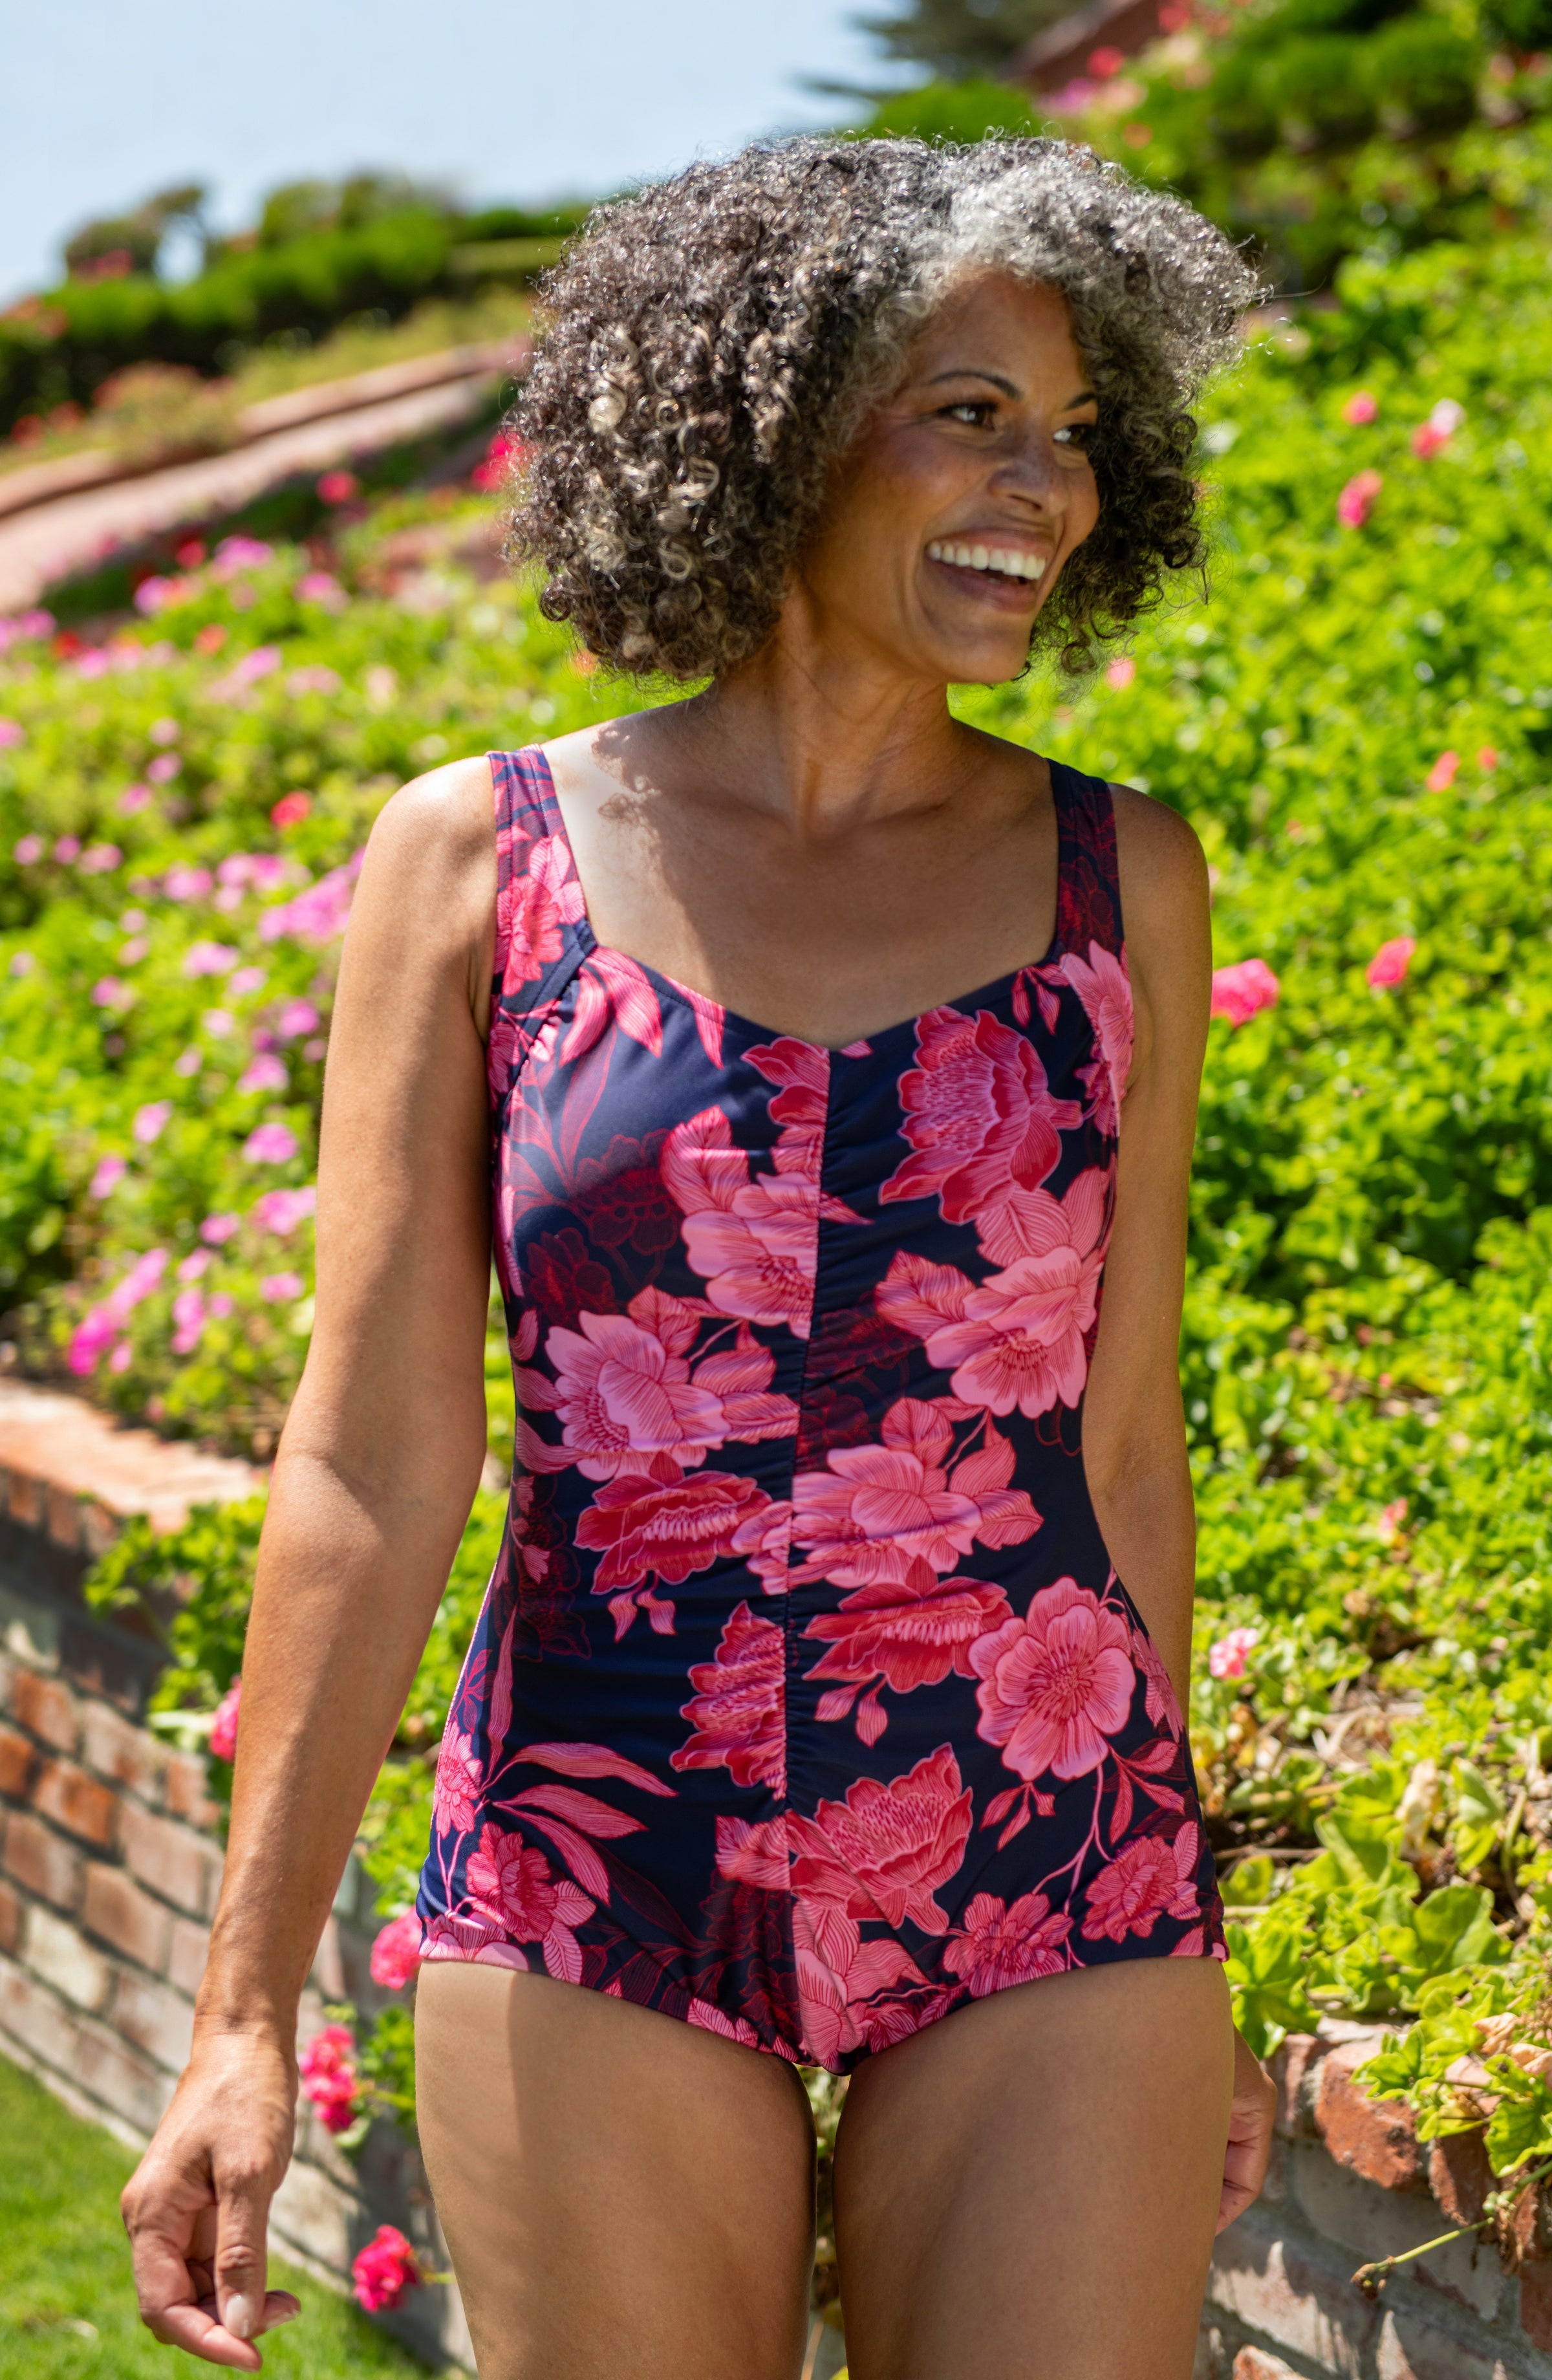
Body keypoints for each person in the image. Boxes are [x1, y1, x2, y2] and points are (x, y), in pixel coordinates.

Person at [124, 135, 1277, 2380]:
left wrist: (1184, 1926)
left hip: (1049, 1856)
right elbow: (368, 1458)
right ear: (774, 416)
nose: (1041, 488)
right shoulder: (477, 863)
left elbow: (1122, 1450)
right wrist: (238, 2018)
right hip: (595, 1858)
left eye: (1075, 436)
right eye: (971, 413)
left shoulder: (1121, 874)